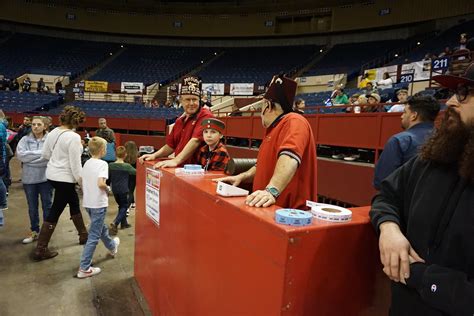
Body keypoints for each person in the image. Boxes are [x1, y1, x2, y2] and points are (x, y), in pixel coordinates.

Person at [369, 63, 474, 315]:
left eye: (464, 93)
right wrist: (389, 227)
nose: (450, 102)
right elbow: (387, 196)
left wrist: (422, 276)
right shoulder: (434, 158)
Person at [214, 74, 317, 209]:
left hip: (291, 215)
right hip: (270, 211)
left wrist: (271, 191)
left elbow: (290, 157)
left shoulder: (294, 120)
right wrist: (242, 177)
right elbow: (261, 166)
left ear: (267, 105)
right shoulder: (274, 128)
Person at [33, 106, 87, 261]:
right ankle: (41, 249)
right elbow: (76, 165)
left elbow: (45, 154)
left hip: (51, 175)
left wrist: (57, 162)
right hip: (65, 178)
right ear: (76, 121)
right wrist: (82, 183)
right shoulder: (74, 137)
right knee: (56, 210)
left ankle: (83, 235)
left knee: (74, 202)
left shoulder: (53, 133)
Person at [139, 76, 213, 168]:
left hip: (197, 171)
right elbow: (170, 146)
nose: (191, 103)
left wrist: (176, 160)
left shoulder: (205, 115)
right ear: (181, 101)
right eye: (187, 99)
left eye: (194, 99)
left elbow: (196, 140)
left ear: (199, 100)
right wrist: (154, 155)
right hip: (180, 170)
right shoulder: (179, 121)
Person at [373, 95, 440, 190]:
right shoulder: (445, 139)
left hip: (403, 202)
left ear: (414, 116)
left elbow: (381, 182)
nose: (401, 116)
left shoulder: (400, 140)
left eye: (404, 112)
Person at [77, 136, 120, 279]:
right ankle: (84, 268)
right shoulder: (103, 164)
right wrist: (108, 189)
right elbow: (101, 183)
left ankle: (112, 246)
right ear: (102, 150)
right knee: (94, 235)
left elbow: (81, 181)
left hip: (88, 203)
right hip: (98, 204)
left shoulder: (86, 163)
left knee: (100, 228)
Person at [16, 116, 53, 244]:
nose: (35, 127)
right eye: (33, 124)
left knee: (47, 207)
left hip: (46, 179)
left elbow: (50, 156)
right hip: (29, 180)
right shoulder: (24, 139)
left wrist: (30, 159)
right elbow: (21, 156)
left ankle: (46, 234)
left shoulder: (50, 140)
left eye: (38, 124)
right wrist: (41, 155)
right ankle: (34, 231)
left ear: (45, 126)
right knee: (32, 208)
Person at [109, 146, 136, 235]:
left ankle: (124, 223)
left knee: (120, 206)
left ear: (115, 154)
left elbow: (108, 177)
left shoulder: (111, 165)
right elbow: (136, 172)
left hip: (115, 189)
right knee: (124, 206)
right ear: (125, 155)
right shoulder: (127, 166)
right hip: (124, 189)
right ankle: (115, 222)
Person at [124, 141, 138, 212]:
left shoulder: (124, 156)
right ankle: (132, 203)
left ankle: (126, 208)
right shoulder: (137, 156)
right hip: (134, 176)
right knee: (131, 190)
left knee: (128, 191)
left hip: (125, 175)